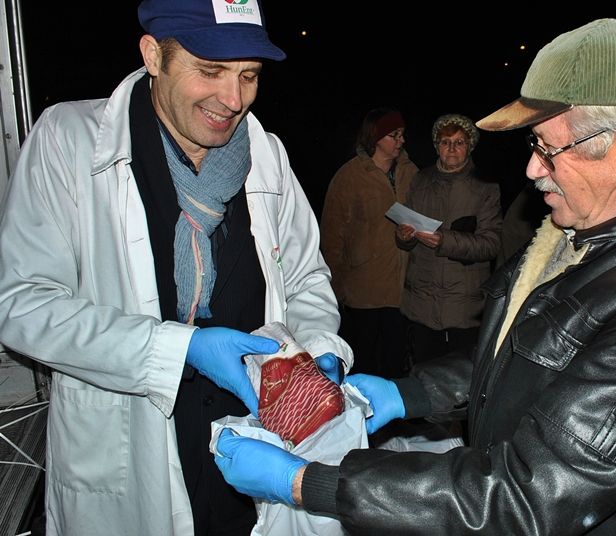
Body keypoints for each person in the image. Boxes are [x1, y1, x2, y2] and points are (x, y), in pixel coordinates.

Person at [213, 18, 616, 534]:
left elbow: (530, 496)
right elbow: (526, 356)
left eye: (550, 150)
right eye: (534, 146)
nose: (532, 170)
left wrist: (310, 483)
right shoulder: (584, 229)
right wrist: (409, 394)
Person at [0, 1, 352, 534]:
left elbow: (305, 278)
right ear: (152, 56)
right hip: (135, 449)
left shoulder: (269, 154)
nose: (233, 100)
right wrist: (179, 348)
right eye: (209, 70)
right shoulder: (68, 141)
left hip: (252, 445)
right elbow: (22, 303)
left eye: (249, 76)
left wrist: (318, 351)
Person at [395, 113, 502, 365]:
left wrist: (444, 241)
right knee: (422, 376)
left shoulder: (485, 187)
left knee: (461, 384)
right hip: (421, 305)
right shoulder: (420, 181)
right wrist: (404, 236)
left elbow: (491, 244)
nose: (451, 148)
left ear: (470, 146)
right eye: (445, 142)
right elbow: (405, 234)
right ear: (436, 146)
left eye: (459, 142)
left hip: (464, 308)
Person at [320, 108, 418, 377]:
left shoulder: (412, 173)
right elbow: (332, 235)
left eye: (402, 135)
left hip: (403, 292)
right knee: (362, 366)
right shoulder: (349, 177)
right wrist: (333, 289)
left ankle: (393, 419)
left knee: (395, 369)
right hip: (363, 294)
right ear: (375, 137)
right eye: (394, 135)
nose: (401, 141)